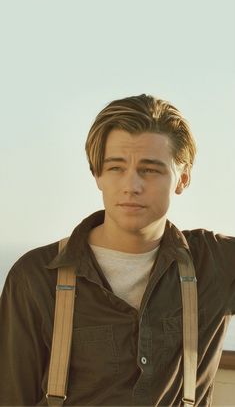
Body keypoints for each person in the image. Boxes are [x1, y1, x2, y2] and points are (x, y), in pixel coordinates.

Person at [0, 94, 234, 407]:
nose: (131, 185)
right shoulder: (36, 276)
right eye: (115, 168)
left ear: (184, 178)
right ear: (97, 174)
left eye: (150, 170)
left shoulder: (215, 263)